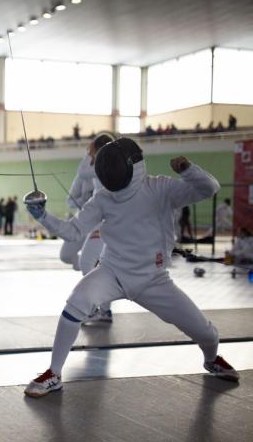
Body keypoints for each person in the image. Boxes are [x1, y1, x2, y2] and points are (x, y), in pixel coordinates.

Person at [23, 138, 239, 397]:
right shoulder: (104, 197)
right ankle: (54, 373)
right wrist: (43, 216)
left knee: (206, 333)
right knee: (76, 302)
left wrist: (187, 169)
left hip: (154, 279)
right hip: (113, 271)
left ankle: (211, 358)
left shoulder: (160, 188)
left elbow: (209, 188)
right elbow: (73, 231)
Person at [71, 133, 116, 323]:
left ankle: (101, 309)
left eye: (92, 150)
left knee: (87, 263)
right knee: (97, 264)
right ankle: (102, 309)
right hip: (102, 217)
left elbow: (82, 172)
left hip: (104, 220)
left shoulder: (105, 166)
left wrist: (89, 154)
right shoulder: (110, 165)